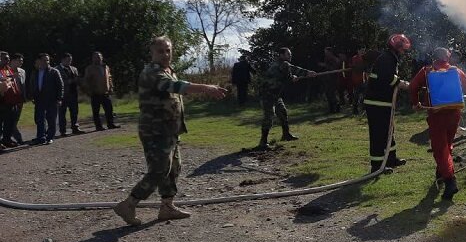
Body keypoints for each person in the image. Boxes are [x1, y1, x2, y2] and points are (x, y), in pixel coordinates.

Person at [113, 36, 228, 226]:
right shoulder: (152, 72)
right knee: (159, 170)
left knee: (173, 168)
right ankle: (129, 204)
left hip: (169, 130)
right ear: (152, 53)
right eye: (160, 51)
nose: (165, 54)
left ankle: (167, 207)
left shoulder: (168, 70)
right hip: (155, 131)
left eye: (168, 50)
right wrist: (206, 88)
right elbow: (174, 87)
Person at [409, 47, 466, 201]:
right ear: (448, 57)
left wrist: (416, 103)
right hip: (454, 113)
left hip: (437, 115)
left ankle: (450, 181)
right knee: (447, 144)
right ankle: (441, 172)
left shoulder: (427, 70)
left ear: (434, 57)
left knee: (439, 148)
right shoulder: (456, 71)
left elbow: (412, 86)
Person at [364, 34, 411, 173]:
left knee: (389, 131)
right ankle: (377, 166)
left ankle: (391, 159)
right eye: (402, 49)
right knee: (378, 133)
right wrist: (404, 84)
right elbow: (388, 79)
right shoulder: (386, 59)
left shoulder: (390, 58)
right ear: (396, 47)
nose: (404, 52)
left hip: (383, 102)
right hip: (376, 102)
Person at [256, 47, 316, 150]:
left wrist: (293, 78)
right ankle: (263, 142)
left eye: (290, 54)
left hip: (276, 95)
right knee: (269, 117)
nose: (290, 56)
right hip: (268, 95)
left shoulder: (282, 65)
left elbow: (287, 76)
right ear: (281, 55)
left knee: (282, 112)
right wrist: (308, 73)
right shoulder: (282, 63)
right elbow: (293, 69)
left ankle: (286, 135)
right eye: (288, 54)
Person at [28, 53, 64, 145]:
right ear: (39, 61)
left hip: (51, 100)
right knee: (39, 119)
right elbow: (32, 85)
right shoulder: (35, 72)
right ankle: (41, 137)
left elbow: (60, 86)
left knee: (51, 119)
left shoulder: (54, 72)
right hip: (39, 100)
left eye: (47, 60)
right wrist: (32, 96)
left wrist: (59, 98)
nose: (46, 62)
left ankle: (50, 137)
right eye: (44, 60)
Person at [84, 51, 120, 131]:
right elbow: (87, 80)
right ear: (93, 59)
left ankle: (110, 124)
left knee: (109, 110)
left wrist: (111, 87)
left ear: (102, 58)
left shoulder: (106, 67)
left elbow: (109, 78)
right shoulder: (89, 68)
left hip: (106, 92)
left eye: (99, 57)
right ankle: (98, 126)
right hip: (95, 93)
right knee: (96, 111)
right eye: (96, 57)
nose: (98, 58)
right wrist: (90, 90)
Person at [57, 53, 84, 136]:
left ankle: (75, 128)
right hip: (62, 95)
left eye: (70, 60)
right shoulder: (56, 70)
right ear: (62, 60)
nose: (69, 62)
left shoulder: (74, 69)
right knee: (62, 114)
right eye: (68, 60)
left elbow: (77, 80)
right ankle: (63, 131)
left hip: (73, 94)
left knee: (74, 112)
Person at [0, 51, 21, 148]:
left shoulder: (8, 69)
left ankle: (6, 140)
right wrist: (9, 77)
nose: (8, 60)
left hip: (12, 101)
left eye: (8, 58)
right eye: (5, 58)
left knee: (10, 122)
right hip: (2, 101)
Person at [9, 53, 26, 145]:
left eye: (22, 61)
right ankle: (18, 138)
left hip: (19, 100)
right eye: (19, 60)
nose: (21, 62)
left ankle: (8, 138)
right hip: (8, 99)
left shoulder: (22, 72)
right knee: (10, 120)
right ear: (13, 61)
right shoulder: (6, 70)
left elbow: (23, 86)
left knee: (15, 120)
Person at [319, 47, 340, 113]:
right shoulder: (326, 58)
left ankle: (336, 108)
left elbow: (334, 69)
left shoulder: (334, 59)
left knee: (332, 93)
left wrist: (325, 65)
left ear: (330, 52)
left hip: (333, 79)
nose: (325, 53)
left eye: (326, 52)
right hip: (327, 79)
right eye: (325, 52)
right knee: (328, 94)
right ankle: (331, 109)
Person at [350, 47, 367, 115]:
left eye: (364, 50)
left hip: (364, 79)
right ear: (358, 51)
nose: (362, 52)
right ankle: (355, 109)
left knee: (365, 95)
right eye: (361, 50)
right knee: (356, 95)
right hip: (357, 79)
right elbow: (355, 67)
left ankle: (364, 108)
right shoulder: (355, 58)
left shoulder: (365, 58)